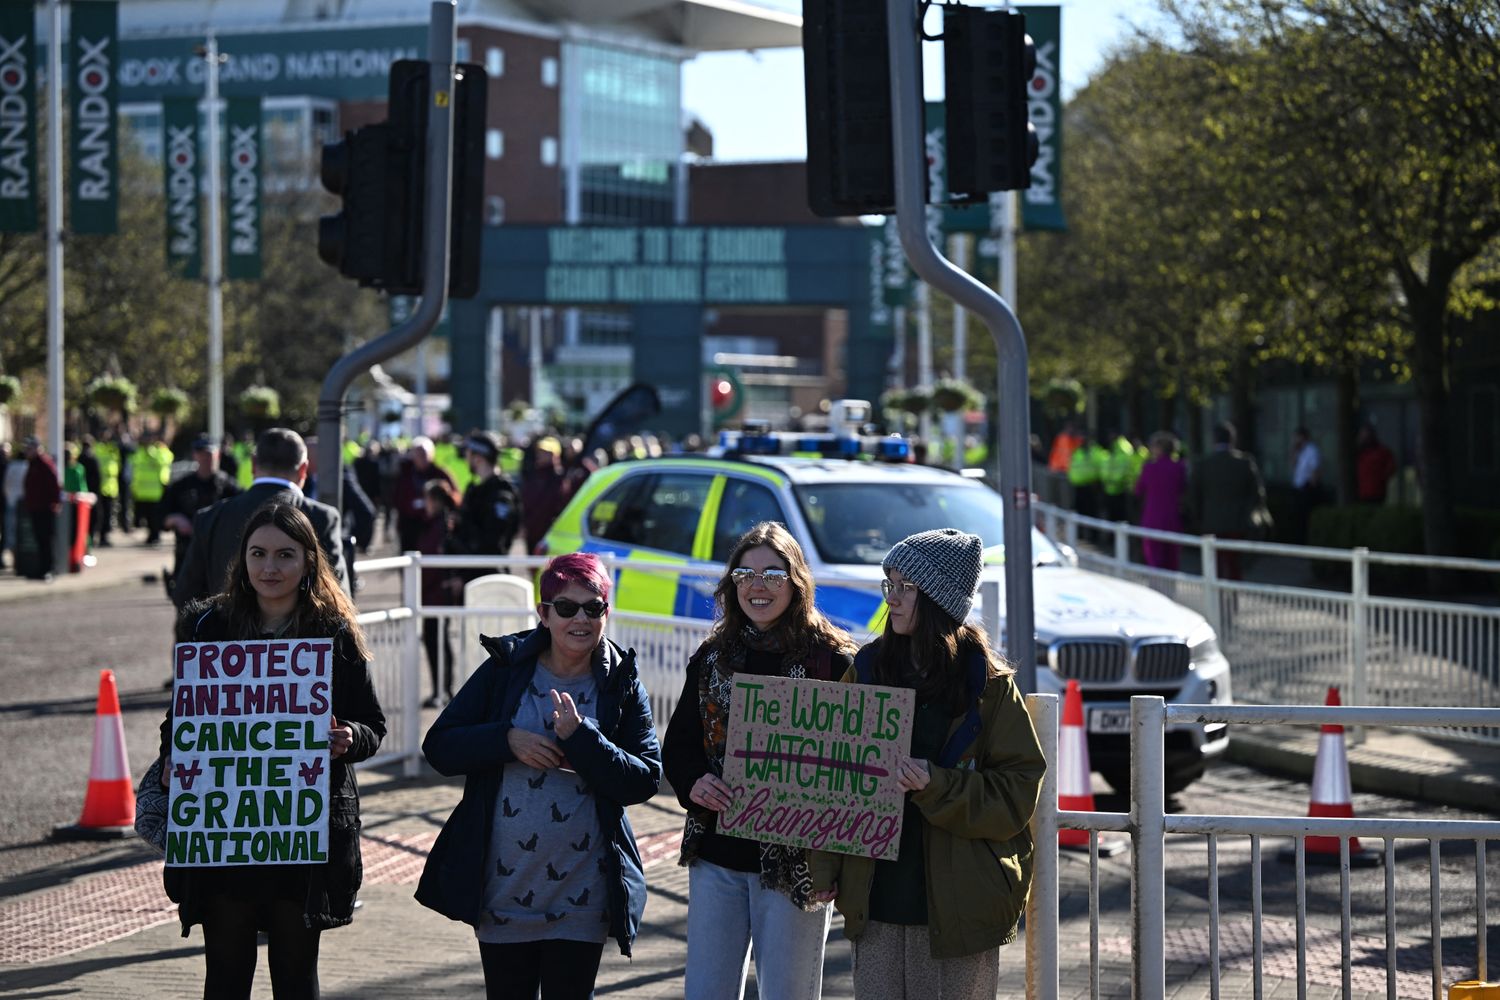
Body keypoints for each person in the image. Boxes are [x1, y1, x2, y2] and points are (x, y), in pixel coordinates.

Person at [158, 502, 385, 1000]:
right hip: (224, 837)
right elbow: (180, 720)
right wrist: (175, 758)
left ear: (308, 561)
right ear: (242, 560)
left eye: (285, 555)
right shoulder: (210, 628)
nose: (270, 567)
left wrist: (349, 736)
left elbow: (373, 725)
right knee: (225, 977)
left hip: (302, 841)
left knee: (295, 978)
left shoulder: (333, 633)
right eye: (258, 554)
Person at [810, 528, 1045, 999]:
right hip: (876, 902)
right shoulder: (868, 669)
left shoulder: (990, 686)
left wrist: (936, 785)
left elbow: (1017, 794)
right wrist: (823, 867)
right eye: (890, 584)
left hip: (960, 910)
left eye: (907, 586)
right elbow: (833, 774)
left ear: (940, 600)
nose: (892, 598)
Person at [416, 552, 661, 999]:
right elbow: (440, 746)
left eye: (593, 607)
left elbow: (646, 778)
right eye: (566, 607)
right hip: (505, 892)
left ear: (606, 613)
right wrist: (506, 740)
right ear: (544, 614)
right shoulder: (505, 670)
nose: (580, 619)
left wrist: (584, 740)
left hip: (583, 895)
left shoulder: (621, 683)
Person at [663, 521, 857, 1000]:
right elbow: (679, 746)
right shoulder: (713, 657)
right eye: (745, 575)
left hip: (798, 865)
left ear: (796, 581)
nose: (757, 586)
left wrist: (837, 862)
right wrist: (694, 782)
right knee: (706, 992)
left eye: (772, 574)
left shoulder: (834, 662)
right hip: (718, 857)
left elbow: (855, 767)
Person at [173, 428, 348, 610]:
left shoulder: (211, 517)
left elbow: (186, 595)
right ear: (304, 469)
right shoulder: (322, 517)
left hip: (227, 625)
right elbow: (338, 600)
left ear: (254, 464)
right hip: (298, 627)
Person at [1188, 421, 1269, 581]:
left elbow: (1193, 496)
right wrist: (1248, 515)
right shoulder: (1244, 463)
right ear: (1233, 439)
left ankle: (1217, 597)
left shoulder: (1203, 464)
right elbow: (1257, 494)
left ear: (1214, 440)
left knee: (1214, 567)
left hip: (1211, 524)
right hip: (1237, 523)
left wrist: (1198, 520)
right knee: (1234, 566)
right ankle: (1232, 596)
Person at [162, 436, 241, 593]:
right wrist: (175, 519)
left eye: (209, 454)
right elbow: (160, 516)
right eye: (201, 454)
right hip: (187, 554)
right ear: (195, 455)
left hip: (219, 556)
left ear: (217, 455)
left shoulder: (229, 487)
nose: (205, 458)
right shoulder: (181, 486)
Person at [417, 478, 464, 707]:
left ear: (434, 500)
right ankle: (443, 689)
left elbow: (438, 559)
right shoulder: (442, 523)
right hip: (434, 592)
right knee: (438, 640)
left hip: (436, 592)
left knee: (437, 641)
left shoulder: (444, 525)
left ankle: (443, 690)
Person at [458, 430, 522, 563]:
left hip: (488, 570)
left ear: (478, 458)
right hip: (471, 567)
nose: (466, 459)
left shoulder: (501, 494)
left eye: (468, 454)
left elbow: (493, 543)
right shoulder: (476, 489)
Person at [1135, 432, 1187, 571]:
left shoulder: (1149, 468)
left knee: (1154, 561)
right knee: (1172, 561)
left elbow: (1138, 489)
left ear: (1159, 449)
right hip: (1173, 519)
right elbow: (1183, 489)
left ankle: (1155, 585)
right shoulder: (1179, 467)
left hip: (1152, 519)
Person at [393, 436, 454, 553]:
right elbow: (397, 499)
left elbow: (453, 496)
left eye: (424, 454)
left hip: (434, 527)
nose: (422, 458)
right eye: (418, 454)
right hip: (409, 527)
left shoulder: (440, 474)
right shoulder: (405, 474)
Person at [22, 437, 62, 580]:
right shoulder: (32, 464)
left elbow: (54, 484)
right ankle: (42, 569)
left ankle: (49, 569)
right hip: (35, 507)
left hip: (45, 508)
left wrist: (55, 503)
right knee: (40, 540)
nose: (27, 451)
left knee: (46, 540)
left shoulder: (44, 463)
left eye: (29, 449)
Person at [1290, 426, 1322, 544]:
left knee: (1305, 519)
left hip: (1307, 489)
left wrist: (1312, 488)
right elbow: (1293, 465)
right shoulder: (1300, 451)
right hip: (1298, 488)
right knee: (1297, 519)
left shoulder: (1312, 451)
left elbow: (1315, 471)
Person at [1356, 423, 1397, 505]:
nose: (1365, 438)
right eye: (1363, 436)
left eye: (1367, 435)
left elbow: (1391, 467)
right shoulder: (1359, 453)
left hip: (1378, 492)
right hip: (1362, 493)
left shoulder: (1383, 452)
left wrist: (1382, 479)